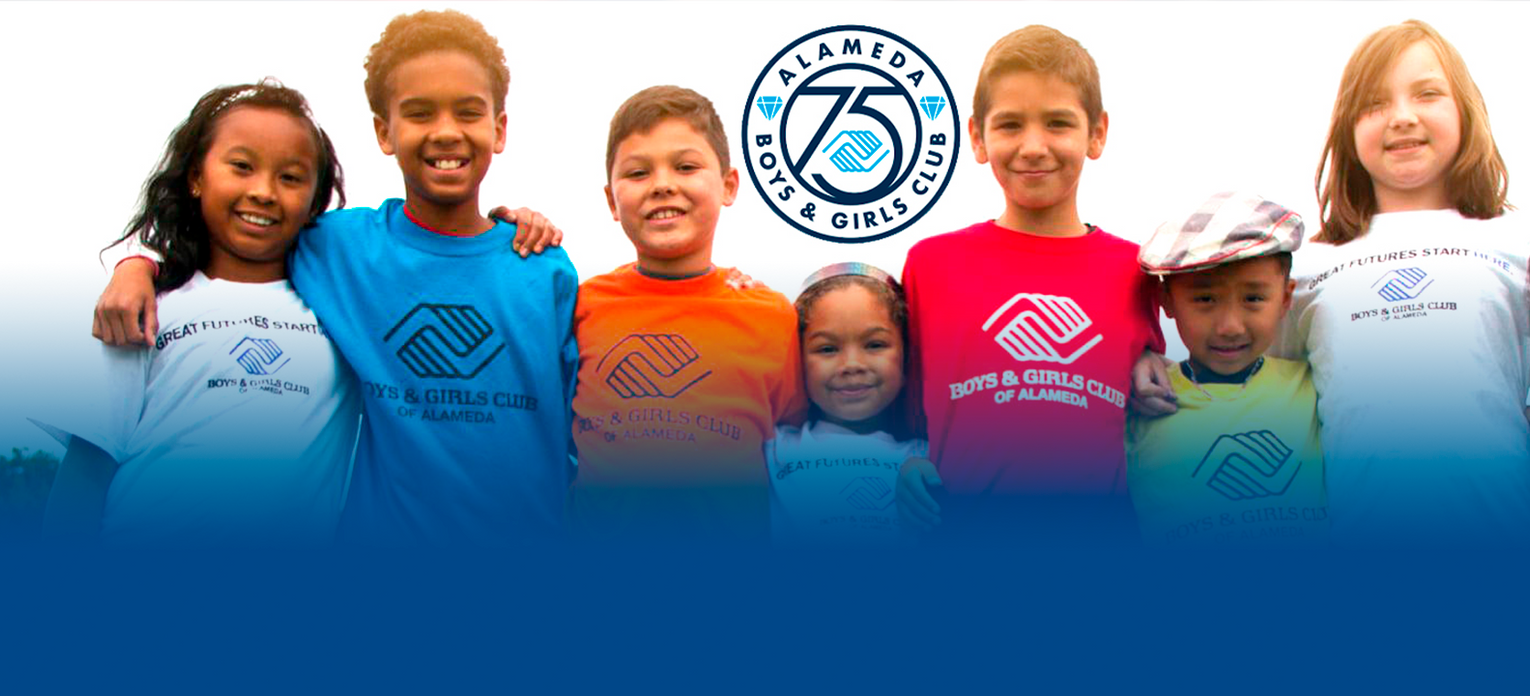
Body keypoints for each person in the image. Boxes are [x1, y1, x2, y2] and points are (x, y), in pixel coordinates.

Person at [1134, 19, 1530, 545]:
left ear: (1465, 110)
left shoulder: (1523, 238)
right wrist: (1145, 361)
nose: (1402, 117)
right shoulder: (1309, 265)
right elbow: (1239, 370)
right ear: (1346, 129)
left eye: (1426, 94)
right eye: (1375, 104)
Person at [89, 10, 579, 545]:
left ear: (499, 128)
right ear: (383, 132)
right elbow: (233, 230)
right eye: (418, 113)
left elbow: (583, 430)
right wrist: (136, 263)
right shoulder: (337, 246)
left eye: (468, 112)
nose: (445, 132)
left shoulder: (544, 265)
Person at [40, 81, 359, 546]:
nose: (264, 192)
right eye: (242, 167)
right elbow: (84, 478)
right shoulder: (144, 307)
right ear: (196, 177)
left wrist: (505, 223)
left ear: (315, 199)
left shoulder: (344, 313)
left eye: (290, 177)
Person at [895, 25, 1163, 544]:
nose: (1034, 147)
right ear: (977, 137)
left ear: (1097, 133)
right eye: (1010, 125)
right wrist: (902, 465)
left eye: (1058, 123)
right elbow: (900, 407)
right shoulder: (931, 264)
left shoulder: (1139, 270)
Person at [569, 86, 806, 544]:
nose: (662, 184)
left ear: (729, 185)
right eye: (638, 172)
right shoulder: (581, 307)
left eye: (686, 166)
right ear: (610, 202)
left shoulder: (774, 317)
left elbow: (805, 446)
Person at [1126, 192, 1326, 548]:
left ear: (1285, 298)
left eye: (1253, 298)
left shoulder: (1316, 392)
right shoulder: (1138, 405)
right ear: (1167, 301)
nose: (1230, 326)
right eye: (1204, 300)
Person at [766, 263, 929, 547]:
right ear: (797, 359)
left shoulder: (929, 457)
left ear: (907, 357)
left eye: (875, 345)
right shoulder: (772, 449)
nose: (852, 365)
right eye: (827, 349)